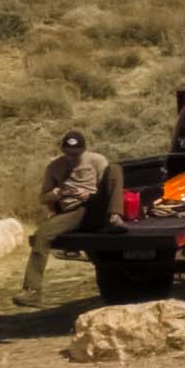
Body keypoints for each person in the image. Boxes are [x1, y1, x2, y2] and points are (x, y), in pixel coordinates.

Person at [24, 128, 116, 302]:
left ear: (84, 150)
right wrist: (57, 193)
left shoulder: (97, 161)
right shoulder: (54, 167)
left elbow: (107, 191)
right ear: (63, 151)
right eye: (68, 153)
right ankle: (32, 291)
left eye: (76, 153)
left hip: (92, 207)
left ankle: (114, 218)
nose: (72, 157)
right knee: (42, 234)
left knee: (115, 170)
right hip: (70, 211)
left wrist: (89, 194)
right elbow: (43, 198)